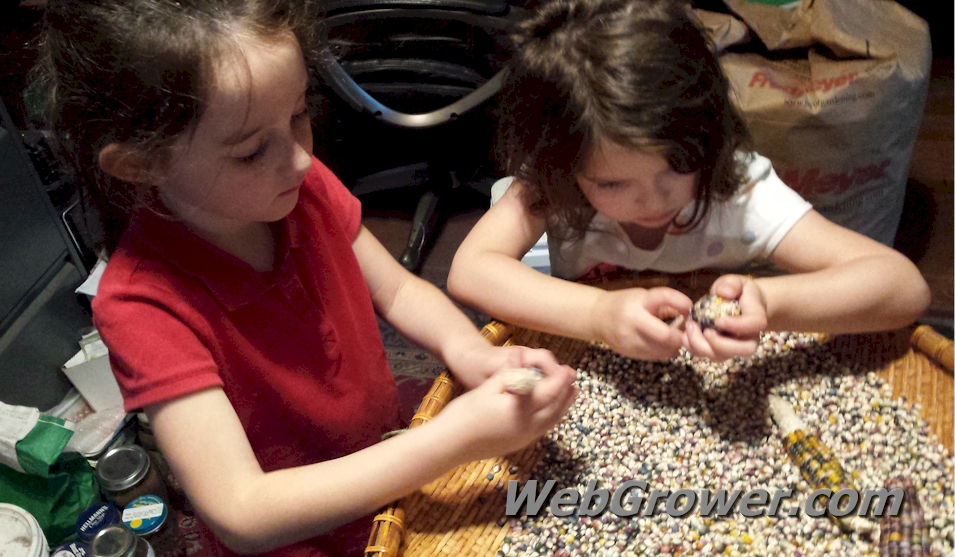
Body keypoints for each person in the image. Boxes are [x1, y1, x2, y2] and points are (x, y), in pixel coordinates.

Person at [32, 1, 577, 556]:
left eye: (298, 114)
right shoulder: (142, 306)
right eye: (249, 152)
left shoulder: (297, 187)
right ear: (142, 164)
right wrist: (453, 439)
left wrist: (470, 352)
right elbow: (244, 510)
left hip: (386, 464)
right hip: (301, 536)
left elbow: (397, 289)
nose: (298, 159)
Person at [447, 0, 931, 362]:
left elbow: (902, 287)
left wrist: (772, 301)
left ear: (710, 136)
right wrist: (598, 316)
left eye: (678, 166)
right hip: (598, 357)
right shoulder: (552, 184)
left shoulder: (737, 189)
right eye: (613, 185)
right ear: (560, 167)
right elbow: (470, 272)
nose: (653, 199)